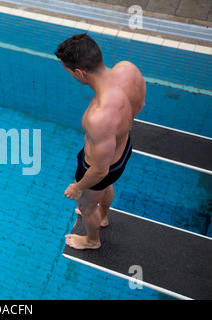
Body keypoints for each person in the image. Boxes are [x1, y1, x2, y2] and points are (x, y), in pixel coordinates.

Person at [54, 33, 146, 250]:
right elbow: (140, 104)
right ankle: (103, 216)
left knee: (85, 207)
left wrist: (78, 187)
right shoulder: (127, 69)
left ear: (79, 72)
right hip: (122, 150)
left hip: (98, 167)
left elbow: (100, 171)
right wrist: (120, 127)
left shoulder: (99, 118)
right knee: (106, 185)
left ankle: (92, 240)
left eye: (69, 72)